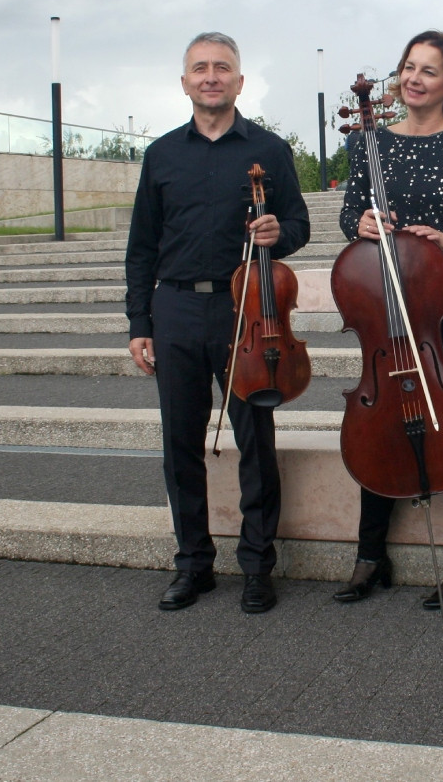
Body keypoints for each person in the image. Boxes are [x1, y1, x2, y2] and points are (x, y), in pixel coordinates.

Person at [125, 32, 310, 615]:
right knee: (180, 444)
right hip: (176, 310)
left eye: (222, 67)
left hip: (247, 311)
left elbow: (299, 224)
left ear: (240, 81)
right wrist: (139, 320)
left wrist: (280, 233)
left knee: (256, 441)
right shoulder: (161, 154)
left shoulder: (270, 150)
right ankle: (193, 565)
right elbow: (141, 246)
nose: (211, 76)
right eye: (200, 68)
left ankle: (257, 566)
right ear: (185, 82)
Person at [333, 30, 443, 609]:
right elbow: (351, 214)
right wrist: (359, 224)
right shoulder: (369, 142)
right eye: (408, 67)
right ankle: (369, 555)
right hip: (385, 307)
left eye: (429, 70)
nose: (414, 78)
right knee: (383, 419)